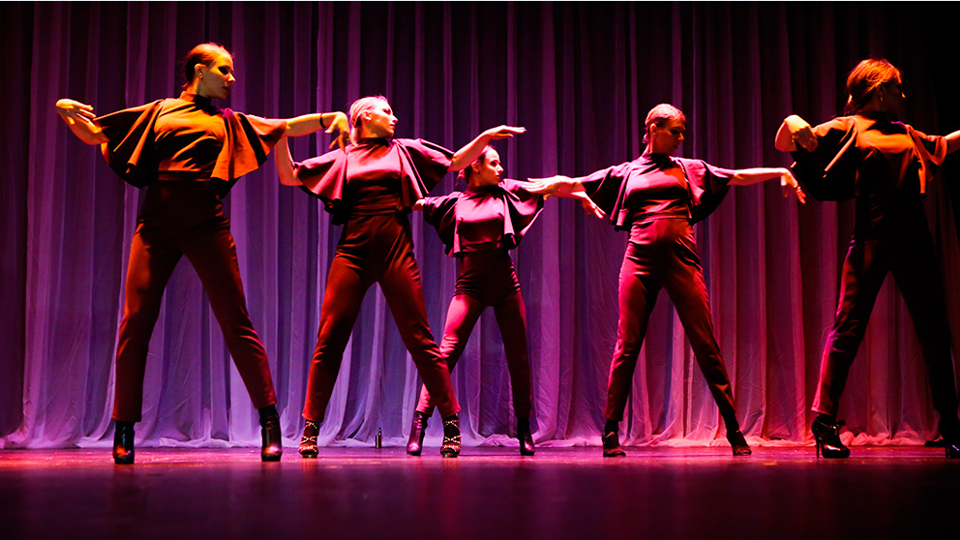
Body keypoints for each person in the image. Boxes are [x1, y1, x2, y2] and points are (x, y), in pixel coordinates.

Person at [54, 42, 350, 464]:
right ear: (199, 71)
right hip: (157, 224)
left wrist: (329, 118)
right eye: (223, 70)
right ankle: (124, 427)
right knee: (135, 322)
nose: (231, 79)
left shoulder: (228, 121)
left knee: (236, 321)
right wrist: (65, 109)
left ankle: (269, 423)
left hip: (206, 223)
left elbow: (283, 125)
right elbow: (95, 134)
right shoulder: (159, 111)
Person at [529, 103, 805, 457]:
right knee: (627, 345)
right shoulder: (626, 172)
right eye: (675, 131)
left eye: (682, 132)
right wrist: (550, 186)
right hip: (639, 261)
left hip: (681, 262)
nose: (680, 138)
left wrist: (778, 171)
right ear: (653, 129)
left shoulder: (687, 168)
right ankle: (610, 432)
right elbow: (576, 183)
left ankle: (734, 430)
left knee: (705, 343)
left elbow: (735, 176)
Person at [274, 95, 524, 458]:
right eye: (386, 111)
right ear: (363, 117)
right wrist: (281, 133)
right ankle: (311, 427)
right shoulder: (344, 156)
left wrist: (484, 137)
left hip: (395, 250)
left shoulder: (404, 150)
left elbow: (455, 161)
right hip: (353, 253)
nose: (394, 117)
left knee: (421, 339)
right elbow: (288, 176)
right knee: (329, 338)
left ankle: (450, 422)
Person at [775, 58, 960, 458]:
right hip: (873, 239)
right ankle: (824, 422)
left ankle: (951, 424)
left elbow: (944, 145)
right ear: (879, 91)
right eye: (897, 86)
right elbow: (785, 142)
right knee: (847, 329)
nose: (903, 94)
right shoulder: (849, 127)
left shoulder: (906, 133)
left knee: (935, 331)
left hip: (916, 241)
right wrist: (792, 121)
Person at [405, 145, 604, 456]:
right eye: (494, 163)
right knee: (444, 354)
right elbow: (414, 203)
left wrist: (581, 195)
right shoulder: (454, 203)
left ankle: (524, 428)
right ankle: (420, 423)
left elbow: (552, 185)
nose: (501, 169)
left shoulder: (507, 192)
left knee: (518, 356)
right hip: (470, 287)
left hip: (505, 286)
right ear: (475, 166)